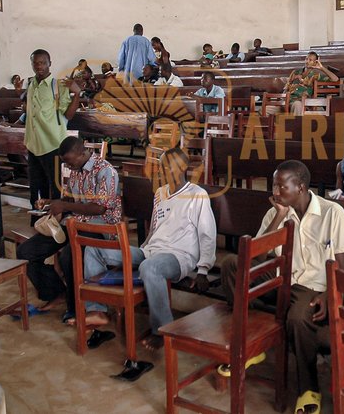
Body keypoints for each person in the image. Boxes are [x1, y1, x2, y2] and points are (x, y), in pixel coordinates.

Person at [219, 160, 344, 414]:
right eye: (274, 185)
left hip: (313, 287)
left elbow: (343, 267)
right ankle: (252, 343)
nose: (275, 191)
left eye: (282, 186)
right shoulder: (276, 211)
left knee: (297, 317)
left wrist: (330, 293)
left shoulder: (332, 212)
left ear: (301, 187)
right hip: (281, 281)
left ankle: (308, 388)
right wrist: (280, 216)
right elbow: (256, 258)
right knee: (231, 265)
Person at [84, 147, 215, 360]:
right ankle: (98, 309)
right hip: (150, 251)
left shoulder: (197, 194)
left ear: (183, 167)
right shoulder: (160, 193)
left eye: (168, 165)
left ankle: (162, 330)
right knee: (94, 250)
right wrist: (138, 251)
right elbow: (155, 228)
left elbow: (207, 234)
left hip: (178, 256)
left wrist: (203, 270)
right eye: (161, 165)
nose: (162, 169)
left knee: (150, 267)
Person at [16, 136, 121, 321]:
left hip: (100, 227)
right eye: (65, 162)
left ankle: (75, 307)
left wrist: (65, 207)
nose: (68, 167)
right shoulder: (76, 169)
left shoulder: (106, 171)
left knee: (68, 255)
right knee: (26, 251)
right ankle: (57, 292)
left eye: (69, 162)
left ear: (82, 153)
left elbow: (100, 208)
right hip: (73, 223)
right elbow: (72, 200)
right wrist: (52, 203)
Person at [24, 49, 80, 207]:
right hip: (33, 143)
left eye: (42, 62)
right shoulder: (31, 84)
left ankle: (55, 222)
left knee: (55, 186)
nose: (39, 66)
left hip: (52, 143)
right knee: (36, 185)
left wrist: (77, 94)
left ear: (50, 64)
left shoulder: (58, 86)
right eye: (35, 63)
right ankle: (38, 220)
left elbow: (68, 115)